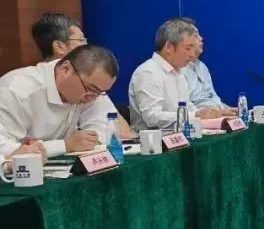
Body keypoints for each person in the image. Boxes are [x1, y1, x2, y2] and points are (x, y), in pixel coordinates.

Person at [0, 44, 119, 159]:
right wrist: (65, 145)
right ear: (66, 69)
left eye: (100, 93)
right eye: (90, 89)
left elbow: (106, 127)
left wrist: (89, 140)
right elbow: (4, 147)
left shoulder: (92, 89)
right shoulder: (17, 90)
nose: (93, 98)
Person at [30, 12, 136, 140]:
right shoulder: (26, 89)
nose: (86, 46)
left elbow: (119, 131)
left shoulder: (89, 85)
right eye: (81, 40)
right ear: (59, 46)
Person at [128, 18, 209, 131]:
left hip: (180, 135)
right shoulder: (148, 72)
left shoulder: (179, 73)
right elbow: (152, 118)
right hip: (154, 139)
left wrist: (205, 113)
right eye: (187, 48)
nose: (191, 54)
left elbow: (186, 107)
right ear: (168, 47)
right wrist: (194, 115)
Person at [177, 18, 235, 117]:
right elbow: (186, 106)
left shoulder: (202, 66)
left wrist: (226, 109)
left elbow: (212, 96)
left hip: (216, 114)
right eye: (196, 36)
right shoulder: (179, 69)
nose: (201, 38)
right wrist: (218, 113)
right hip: (199, 118)